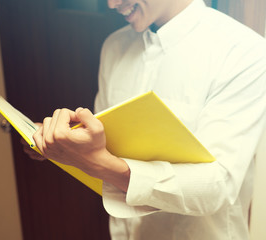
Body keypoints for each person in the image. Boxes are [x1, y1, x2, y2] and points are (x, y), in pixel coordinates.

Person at [23, 0, 266, 239]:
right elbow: (105, 144)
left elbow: (217, 186)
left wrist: (104, 165)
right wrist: (61, 139)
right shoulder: (115, 46)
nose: (111, 4)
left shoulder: (244, 52)